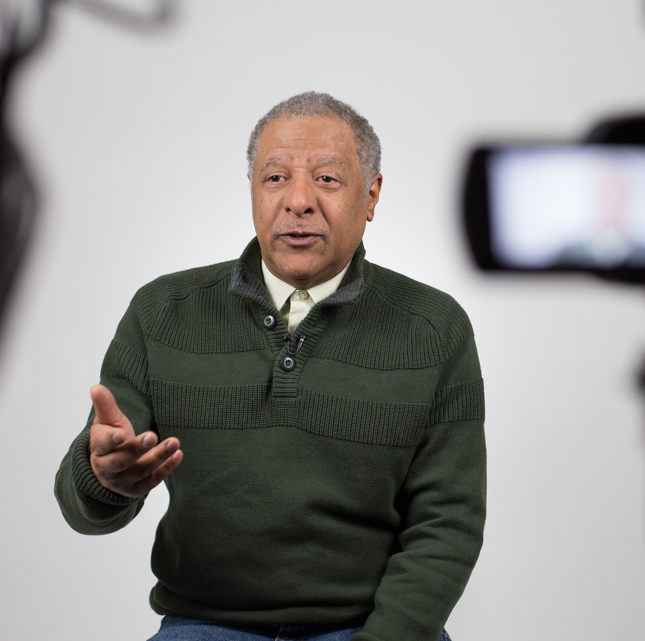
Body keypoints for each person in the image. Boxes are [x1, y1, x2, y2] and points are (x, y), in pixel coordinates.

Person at [54, 92, 486, 641]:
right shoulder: (164, 311)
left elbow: (447, 521)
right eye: (275, 178)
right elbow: (85, 503)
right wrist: (104, 478)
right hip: (204, 624)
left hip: (367, 628)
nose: (298, 200)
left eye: (327, 179)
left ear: (372, 195)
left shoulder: (434, 326)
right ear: (254, 191)